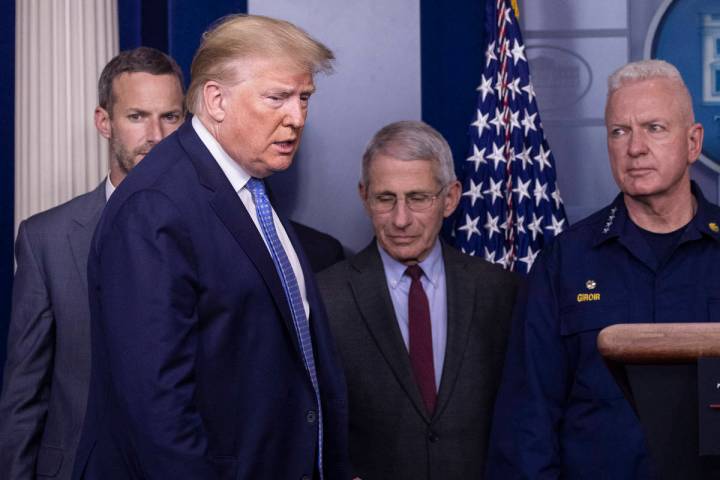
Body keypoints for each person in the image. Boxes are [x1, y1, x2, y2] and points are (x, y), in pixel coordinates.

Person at [72, 15, 349, 480]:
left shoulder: (248, 183)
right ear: (216, 100)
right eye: (277, 97)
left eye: (304, 99)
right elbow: (158, 409)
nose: (297, 117)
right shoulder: (155, 206)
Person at [486, 59, 715, 479]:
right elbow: (527, 425)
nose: (635, 147)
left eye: (655, 128)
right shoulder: (565, 263)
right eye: (619, 131)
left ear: (693, 142)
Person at [0, 47, 185, 480]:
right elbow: (25, 394)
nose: (156, 135)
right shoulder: (46, 238)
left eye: (171, 117)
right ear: (105, 122)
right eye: (137, 116)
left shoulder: (218, 231)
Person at [317, 120, 521, 479]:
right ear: (364, 197)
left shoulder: (501, 291)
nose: (400, 219)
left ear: (450, 198)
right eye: (385, 198)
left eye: (417, 198)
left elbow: (524, 413)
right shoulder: (325, 297)